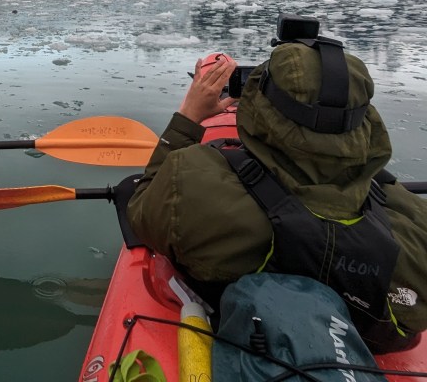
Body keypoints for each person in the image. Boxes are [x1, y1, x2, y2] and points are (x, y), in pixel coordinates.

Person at [127, 30, 427, 353]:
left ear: (262, 111)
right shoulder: (415, 230)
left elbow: (140, 208)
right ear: (365, 124)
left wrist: (188, 117)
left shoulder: (190, 185)